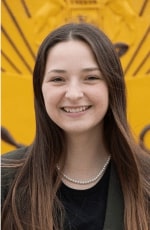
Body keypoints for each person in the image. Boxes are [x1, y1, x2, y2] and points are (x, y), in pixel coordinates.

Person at [1, 23, 150, 230]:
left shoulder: (146, 180)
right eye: (58, 79)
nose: (73, 94)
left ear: (112, 87)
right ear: (40, 90)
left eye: (91, 78)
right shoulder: (5, 178)